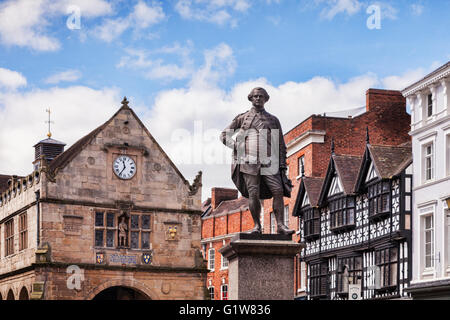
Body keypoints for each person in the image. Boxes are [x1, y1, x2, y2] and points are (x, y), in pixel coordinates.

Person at [220, 87, 294, 236]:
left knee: (278, 191)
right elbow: (223, 135)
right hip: (249, 162)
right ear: (250, 98)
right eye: (255, 96)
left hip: (269, 162)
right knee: (253, 194)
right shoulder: (243, 118)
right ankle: (257, 226)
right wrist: (237, 147)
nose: (258, 98)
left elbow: (280, 144)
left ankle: (280, 225)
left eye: (261, 96)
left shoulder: (273, 120)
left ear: (266, 98)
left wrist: (282, 167)